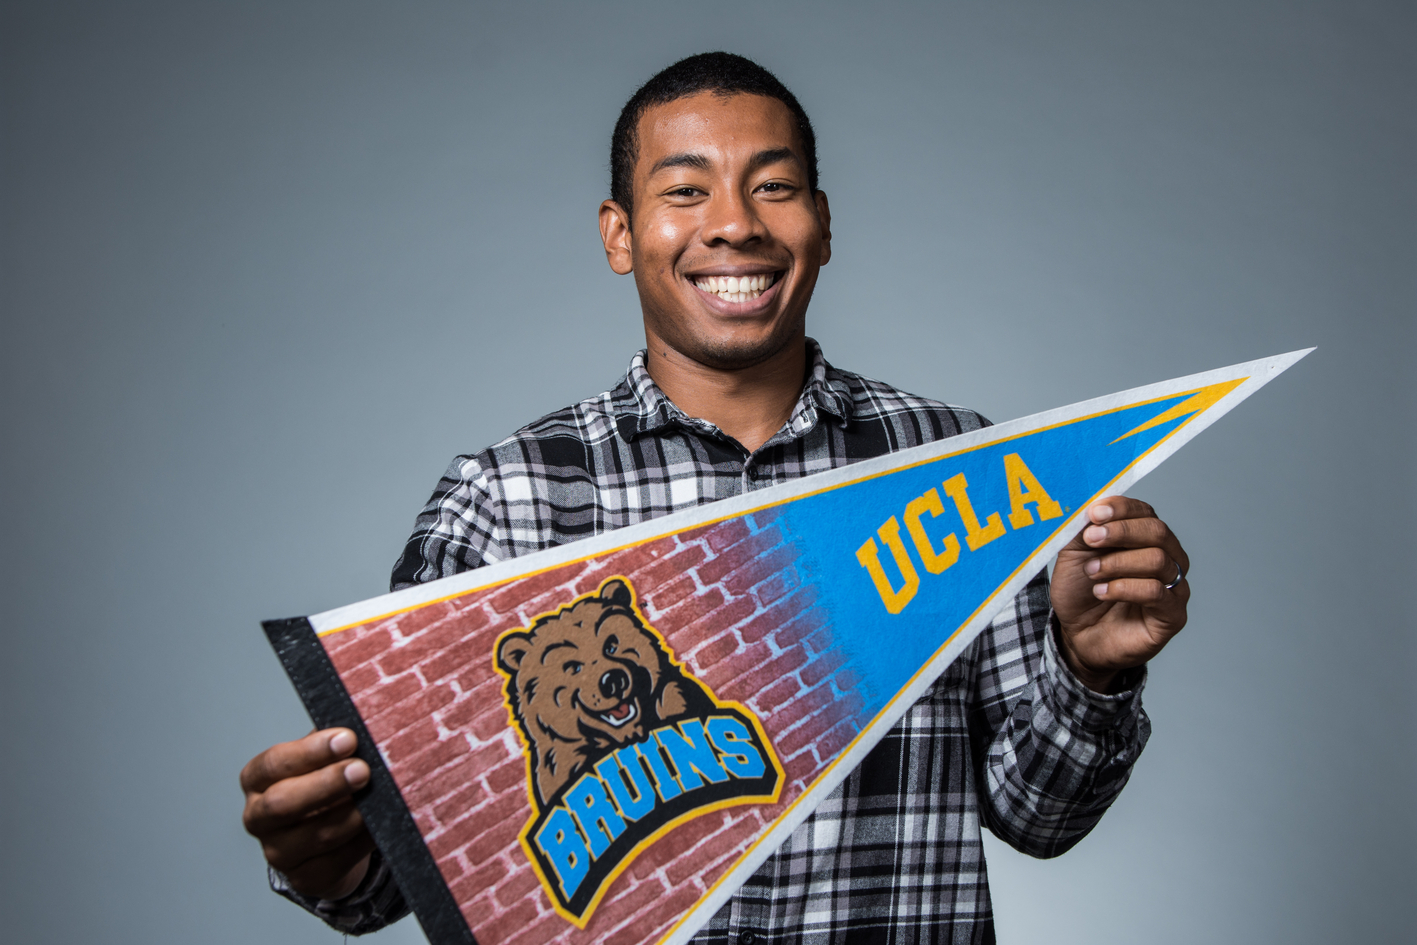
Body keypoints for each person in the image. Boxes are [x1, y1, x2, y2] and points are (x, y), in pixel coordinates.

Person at [240, 52, 1191, 942]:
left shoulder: (960, 469)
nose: (734, 222)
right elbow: (403, 876)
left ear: (822, 221)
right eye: (684, 190)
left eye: (771, 187)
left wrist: (1089, 667)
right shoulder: (506, 499)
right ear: (620, 233)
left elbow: (1038, 815)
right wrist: (326, 849)